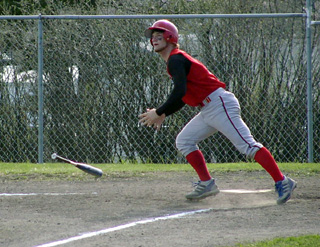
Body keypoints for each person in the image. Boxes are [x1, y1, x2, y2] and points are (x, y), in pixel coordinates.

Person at [138, 19, 297, 204]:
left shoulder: (175, 58)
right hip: (209, 108)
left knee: (247, 145)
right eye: (152, 38)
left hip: (219, 104)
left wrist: (159, 111)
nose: (154, 40)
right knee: (184, 141)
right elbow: (183, 95)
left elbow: (179, 91)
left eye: (159, 36)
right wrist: (163, 113)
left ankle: (282, 181)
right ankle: (206, 183)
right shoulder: (175, 60)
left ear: (170, 37)